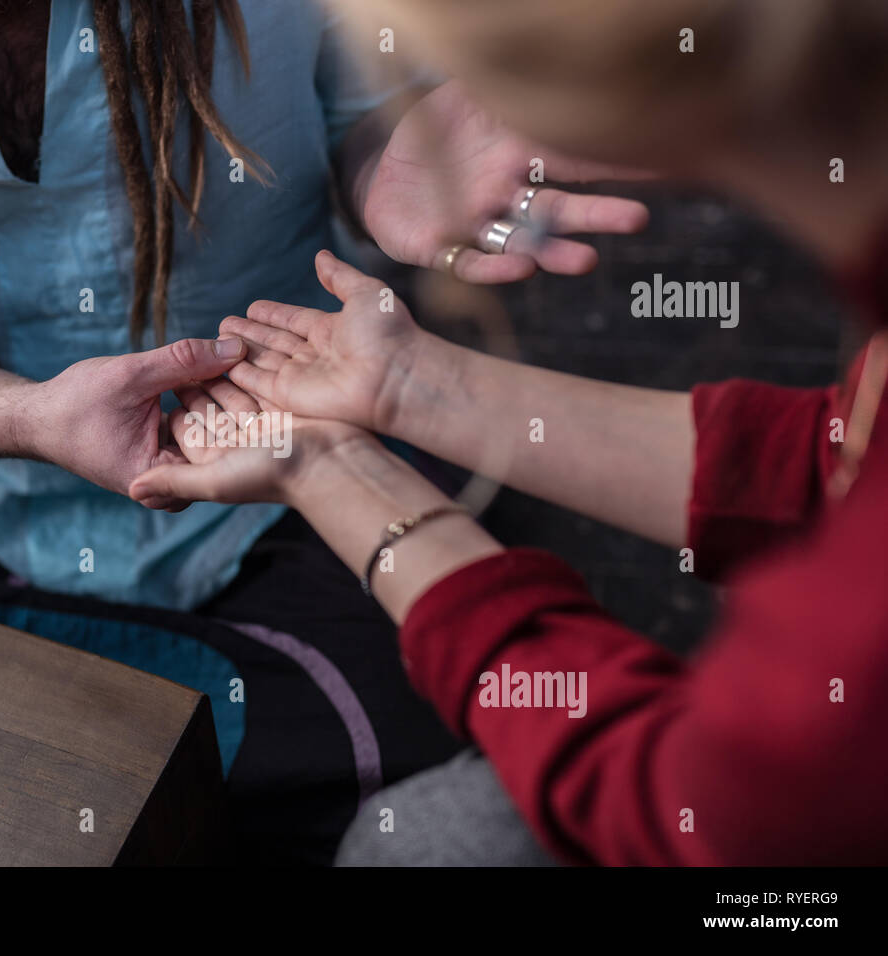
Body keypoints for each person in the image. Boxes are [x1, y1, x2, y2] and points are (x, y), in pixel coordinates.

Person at [0, 0, 648, 861]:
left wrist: (396, 155)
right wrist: (13, 417)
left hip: (280, 467)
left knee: (451, 765)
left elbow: (370, 112)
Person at [131, 0, 888, 864]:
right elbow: (836, 464)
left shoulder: (853, 649)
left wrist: (333, 476)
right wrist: (415, 386)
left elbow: (672, 809)